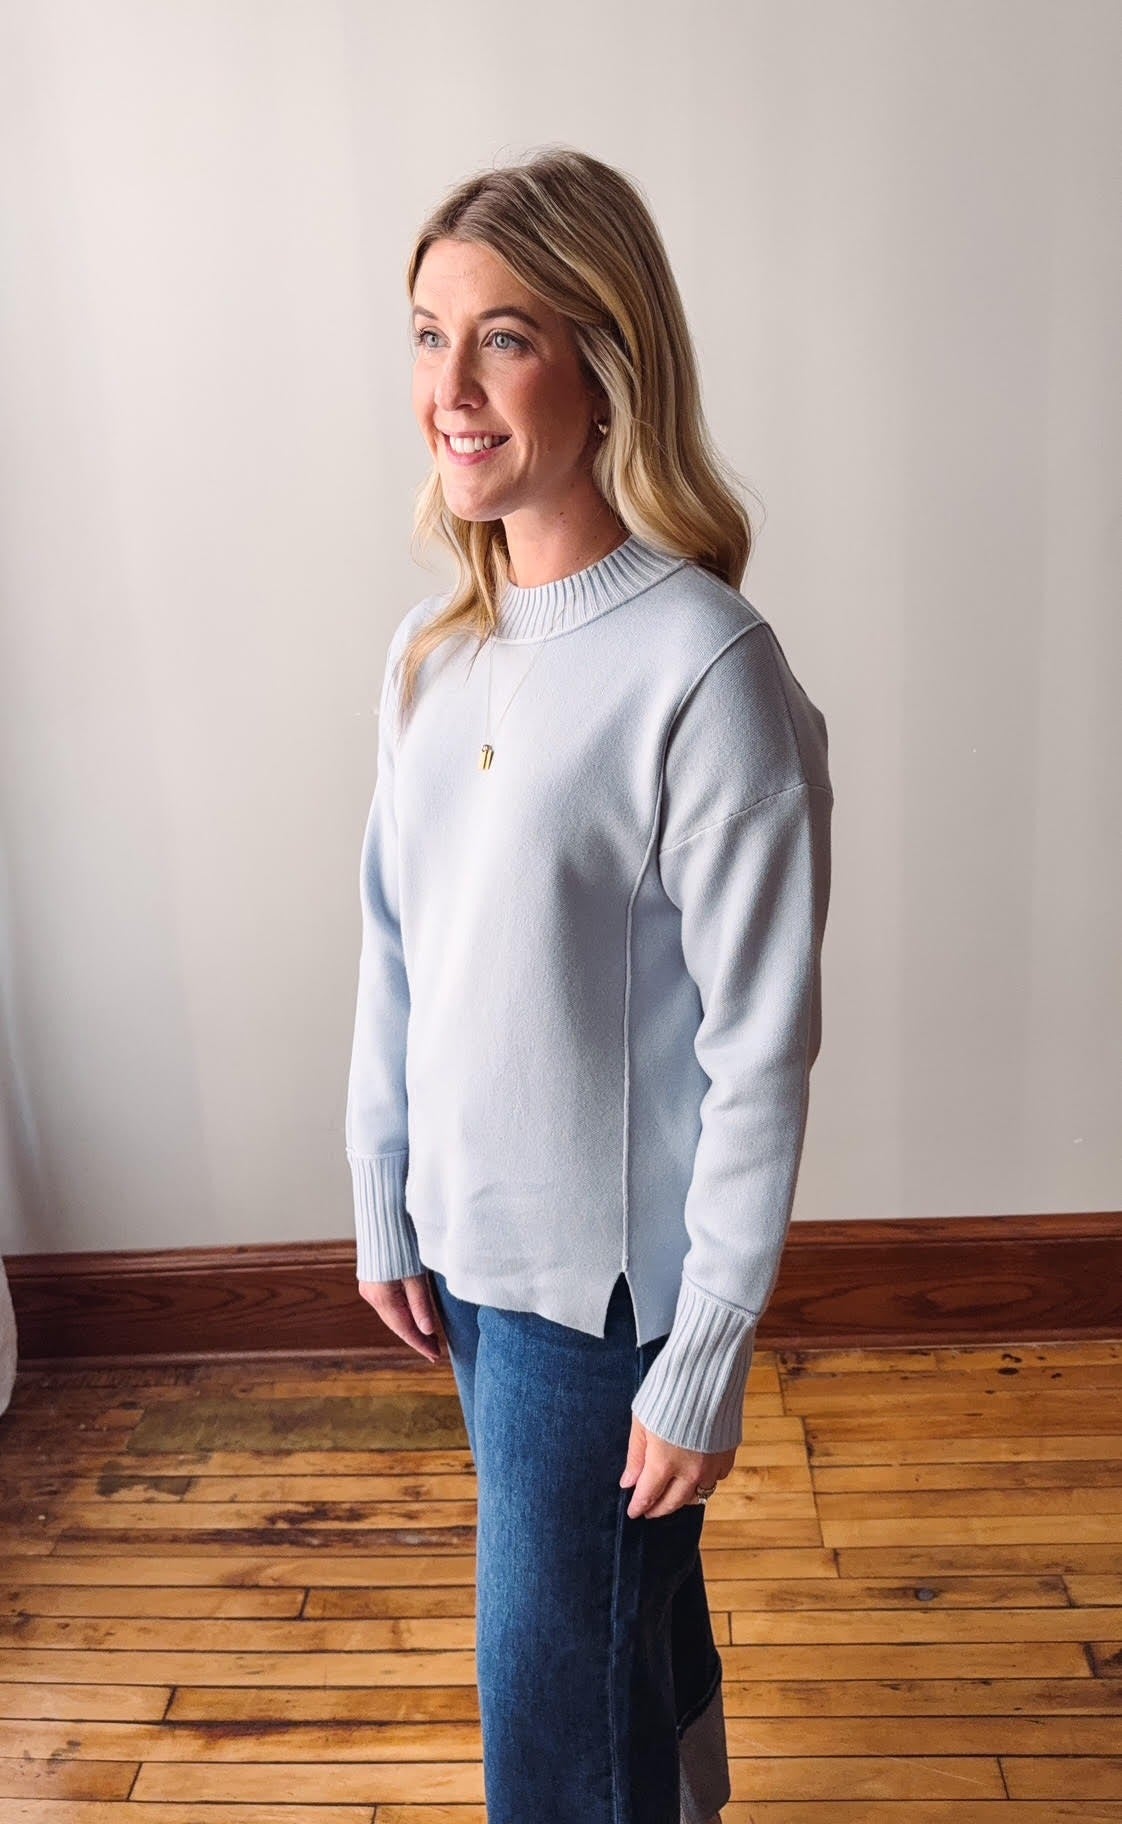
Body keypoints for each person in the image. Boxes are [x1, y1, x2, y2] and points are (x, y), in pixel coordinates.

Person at [344, 145, 834, 1824]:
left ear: (606, 357)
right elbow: (394, 945)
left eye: (503, 337)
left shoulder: (704, 669)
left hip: (603, 1302)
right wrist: (381, 1198)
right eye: (426, 336)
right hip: (473, 1271)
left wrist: (704, 1351)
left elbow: (760, 1051)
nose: (450, 388)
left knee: (547, 1713)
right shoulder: (435, 654)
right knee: (624, 1629)